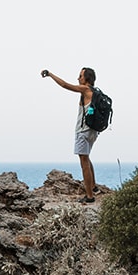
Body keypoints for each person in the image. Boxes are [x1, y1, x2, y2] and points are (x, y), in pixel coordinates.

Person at [41, 67, 100, 203]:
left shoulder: (85, 89)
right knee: (86, 157)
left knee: (83, 162)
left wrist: (50, 74)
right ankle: (94, 186)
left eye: (80, 76)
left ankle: (90, 196)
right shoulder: (96, 92)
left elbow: (65, 85)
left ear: (87, 79)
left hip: (83, 131)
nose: (78, 78)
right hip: (92, 131)